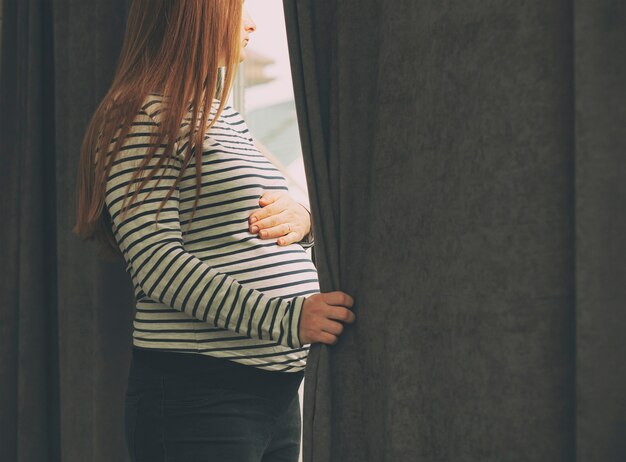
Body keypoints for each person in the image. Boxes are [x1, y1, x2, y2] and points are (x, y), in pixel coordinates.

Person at [72, 1, 356, 461]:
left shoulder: (220, 117)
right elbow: (155, 263)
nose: (250, 23)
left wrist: (303, 221)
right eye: (237, 8)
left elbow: (238, 222)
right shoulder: (139, 114)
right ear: (193, 15)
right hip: (199, 396)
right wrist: (288, 320)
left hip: (274, 395)